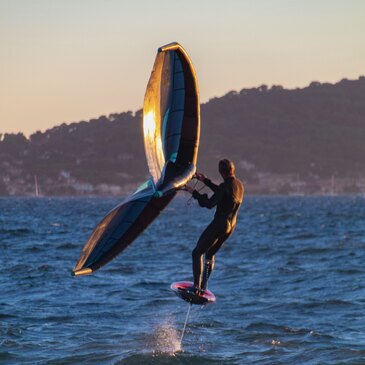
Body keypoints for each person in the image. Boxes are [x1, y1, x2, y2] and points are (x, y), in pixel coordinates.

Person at [184, 159, 244, 295]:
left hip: (220, 224)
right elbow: (223, 193)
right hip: (231, 227)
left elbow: (210, 203)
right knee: (210, 254)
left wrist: (194, 192)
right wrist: (205, 180)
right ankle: (203, 287)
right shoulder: (239, 185)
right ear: (232, 170)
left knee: (197, 252)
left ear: (221, 172)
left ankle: (196, 287)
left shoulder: (225, 187)